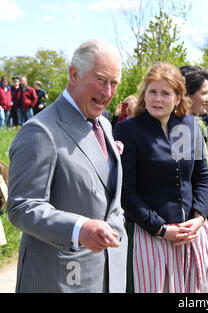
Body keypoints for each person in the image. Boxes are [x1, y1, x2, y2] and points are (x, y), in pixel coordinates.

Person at [7, 40, 128, 292]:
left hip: (108, 274)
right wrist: (79, 229)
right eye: (100, 80)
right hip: (61, 280)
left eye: (113, 83)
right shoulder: (39, 131)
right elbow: (22, 207)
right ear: (74, 74)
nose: (107, 92)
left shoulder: (103, 125)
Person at [114, 62, 208, 293]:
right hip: (152, 237)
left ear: (178, 98)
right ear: (144, 95)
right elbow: (126, 192)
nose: (157, 99)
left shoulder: (190, 125)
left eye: (165, 93)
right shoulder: (128, 130)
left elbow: (202, 178)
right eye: (152, 92)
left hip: (193, 234)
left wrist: (199, 218)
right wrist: (161, 229)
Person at [179, 65, 208, 242]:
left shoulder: (200, 126)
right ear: (186, 94)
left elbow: (207, 175)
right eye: (203, 93)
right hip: (179, 224)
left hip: (200, 220)